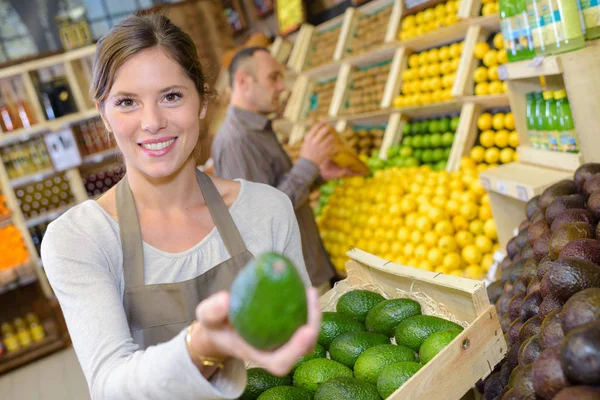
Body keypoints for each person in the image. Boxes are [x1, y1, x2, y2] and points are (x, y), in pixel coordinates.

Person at [40, 13, 320, 400]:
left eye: (171, 96)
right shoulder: (80, 239)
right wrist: (204, 345)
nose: (152, 122)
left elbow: (301, 350)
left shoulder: (267, 209)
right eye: (127, 102)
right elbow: (110, 387)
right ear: (103, 114)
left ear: (202, 102)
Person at [212, 47, 353, 293]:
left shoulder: (258, 129)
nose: (281, 87)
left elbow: (274, 187)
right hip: (295, 283)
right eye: (273, 77)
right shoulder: (237, 140)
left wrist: (318, 177)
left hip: (308, 266)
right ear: (244, 82)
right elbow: (260, 220)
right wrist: (307, 164)